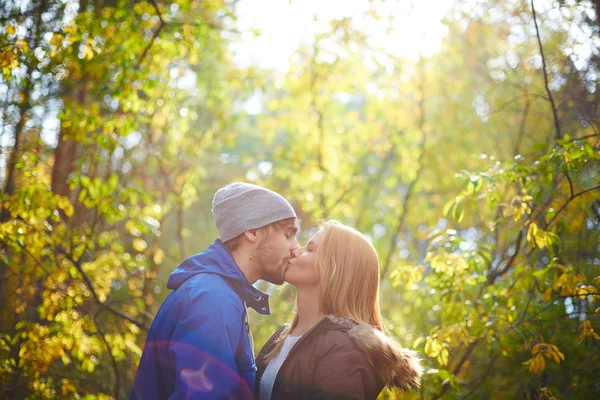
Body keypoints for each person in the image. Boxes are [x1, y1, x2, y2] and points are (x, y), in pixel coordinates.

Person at [130, 182, 299, 400]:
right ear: (252, 230)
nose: (295, 247)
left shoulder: (219, 294)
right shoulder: (212, 299)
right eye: (287, 235)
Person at [256, 220, 423, 400]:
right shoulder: (280, 338)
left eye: (310, 249)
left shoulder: (345, 349)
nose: (295, 251)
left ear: (335, 269)